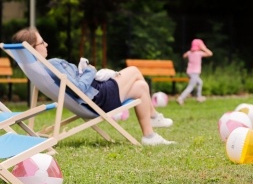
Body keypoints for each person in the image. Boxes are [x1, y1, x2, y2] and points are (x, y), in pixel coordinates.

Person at [12, 27, 175, 146]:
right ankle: (154, 117)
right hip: (100, 98)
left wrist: (83, 71)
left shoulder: (40, 69)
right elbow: (80, 89)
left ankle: (149, 136)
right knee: (134, 70)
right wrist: (90, 70)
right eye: (42, 42)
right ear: (33, 48)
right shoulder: (51, 65)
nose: (46, 44)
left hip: (96, 97)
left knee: (140, 86)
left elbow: (74, 85)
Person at [176, 39, 213, 106]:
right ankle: (180, 98)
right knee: (191, 86)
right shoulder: (199, 53)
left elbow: (184, 56)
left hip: (189, 72)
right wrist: (204, 48)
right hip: (195, 73)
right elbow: (210, 53)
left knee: (200, 82)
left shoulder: (189, 53)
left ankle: (199, 97)